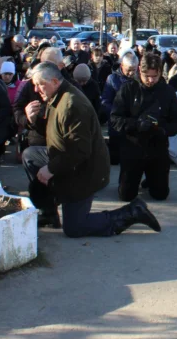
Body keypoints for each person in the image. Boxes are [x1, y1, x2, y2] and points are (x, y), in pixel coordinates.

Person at [21, 63, 160, 236]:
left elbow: (79, 151)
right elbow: (53, 131)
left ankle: (132, 212)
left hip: (85, 170)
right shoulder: (55, 96)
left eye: (39, 84)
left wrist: (50, 169)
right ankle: (49, 213)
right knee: (31, 155)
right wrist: (32, 120)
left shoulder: (71, 104)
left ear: (55, 81)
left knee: (74, 228)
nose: (35, 89)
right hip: (67, 159)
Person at [109, 53, 177, 202]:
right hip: (133, 146)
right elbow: (115, 119)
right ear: (139, 71)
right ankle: (129, 180)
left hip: (158, 147)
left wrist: (163, 129)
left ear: (160, 74)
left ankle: (152, 179)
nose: (150, 80)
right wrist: (136, 124)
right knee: (126, 196)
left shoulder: (167, 92)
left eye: (154, 76)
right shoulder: (128, 89)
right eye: (147, 76)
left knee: (160, 195)